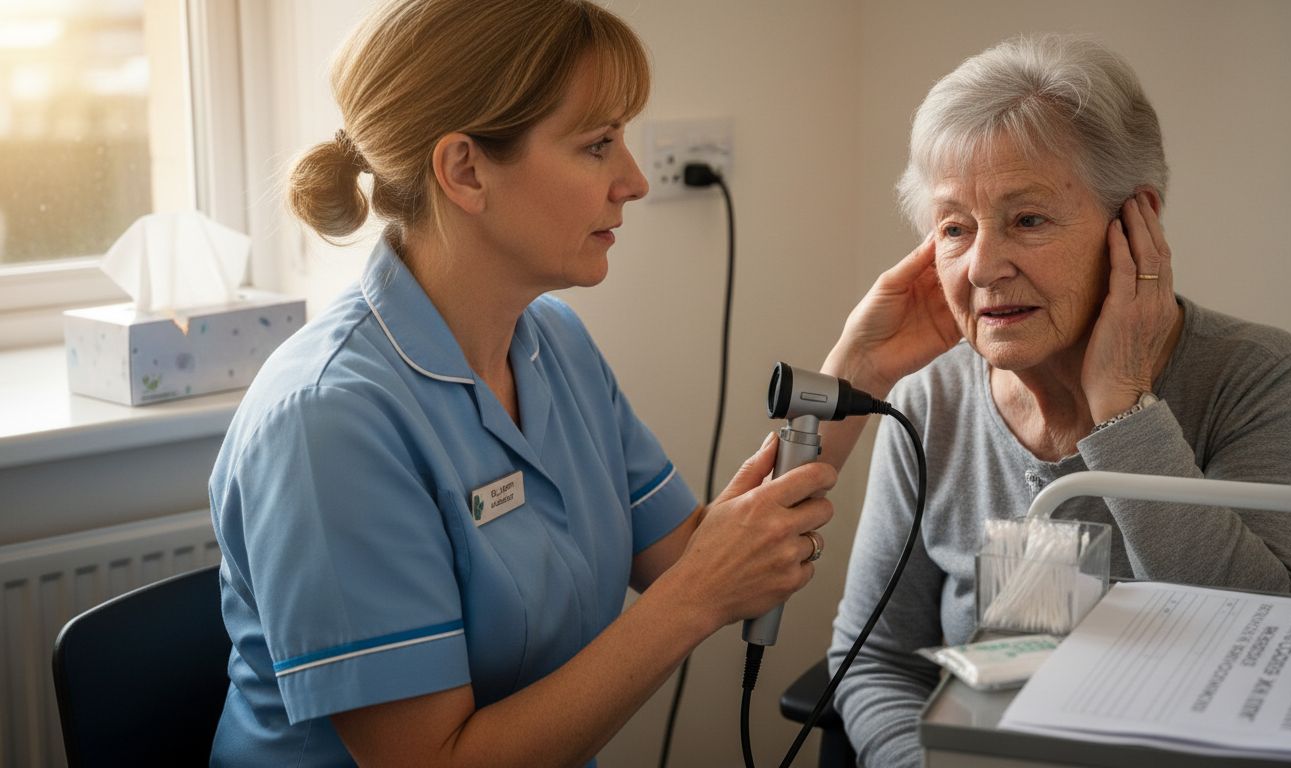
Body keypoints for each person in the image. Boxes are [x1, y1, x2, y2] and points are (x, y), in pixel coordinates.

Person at [207, 1, 841, 765]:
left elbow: (696, 557)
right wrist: (697, 594)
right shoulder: (326, 423)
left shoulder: (553, 345)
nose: (634, 181)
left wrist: (863, 365)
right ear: (466, 171)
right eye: (598, 144)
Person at [817, 35, 1291, 766]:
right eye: (954, 228)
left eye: (1027, 220)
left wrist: (1124, 409)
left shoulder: (1258, 375)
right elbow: (875, 660)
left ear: (1135, 223)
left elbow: (1277, 650)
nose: (983, 267)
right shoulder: (927, 402)